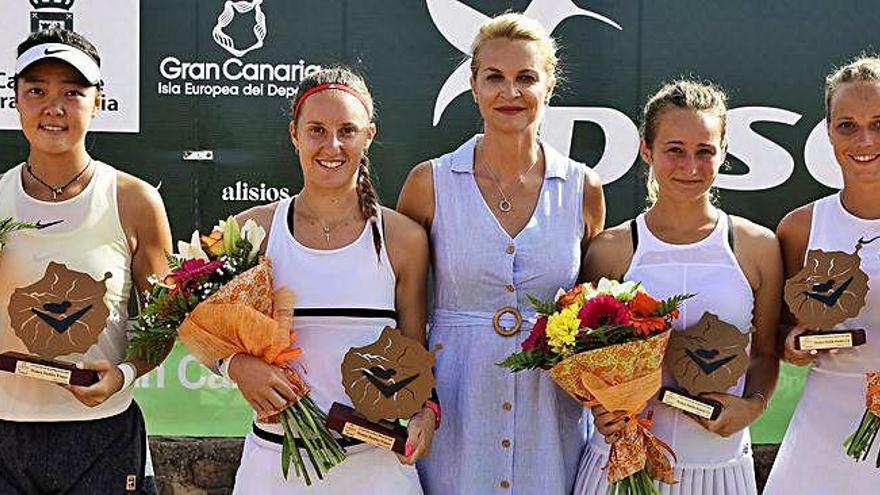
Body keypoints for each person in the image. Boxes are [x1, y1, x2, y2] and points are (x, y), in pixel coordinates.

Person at [397, 12, 605, 494]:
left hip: (551, 410)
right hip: (454, 403)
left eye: (526, 78)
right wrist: (415, 402)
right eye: (495, 77)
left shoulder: (582, 188)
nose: (510, 93)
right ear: (473, 85)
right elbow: (403, 308)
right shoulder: (429, 183)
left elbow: (595, 312)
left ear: (549, 85)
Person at [225, 66, 435, 494]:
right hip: (274, 466)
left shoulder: (404, 239)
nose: (332, 146)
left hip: (376, 468)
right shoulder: (254, 232)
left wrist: (425, 414)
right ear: (294, 134)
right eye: (316, 130)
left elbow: (416, 357)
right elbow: (205, 333)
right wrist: (233, 365)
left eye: (347, 130)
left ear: (369, 135)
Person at [574, 80, 782, 494]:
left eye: (705, 151)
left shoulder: (757, 247)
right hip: (619, 463)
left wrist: (752, 407)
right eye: (675, 150)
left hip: (718, 468)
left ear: (723, 153)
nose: (690, 166)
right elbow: (582, 362)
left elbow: (765, 353)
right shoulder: (610, 251)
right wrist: (600, 408)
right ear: (646, 149)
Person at [0, 28, 172, 494]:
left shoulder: (136, 201)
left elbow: (164, 323)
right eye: (36, 90)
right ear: (14, 98)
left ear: (99, 102)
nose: (53, 108)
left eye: (72, 93)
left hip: (105, 434)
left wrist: (125, 373)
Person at [764, 56, 880, 494]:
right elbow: (777, 332)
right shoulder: (799, 228)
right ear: (828, 131)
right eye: (847, 125)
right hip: (825, 421)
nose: (864, 139)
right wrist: (791, 345)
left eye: (879, 122)